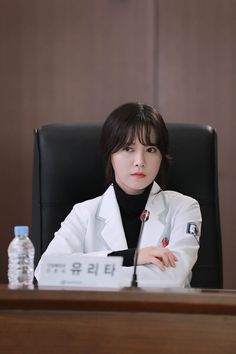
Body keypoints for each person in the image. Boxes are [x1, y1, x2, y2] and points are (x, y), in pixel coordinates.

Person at [35, 102, 202, 287]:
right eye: (128, 149)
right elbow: (46, 271)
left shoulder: (184, 208)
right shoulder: (84, 213)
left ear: (162, 157)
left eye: (151, 150)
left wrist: (89, 273)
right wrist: (130, 257)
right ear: (110, 154)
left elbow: (171, 279)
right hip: (101, 315)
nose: (140, 161)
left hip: (162, 315)